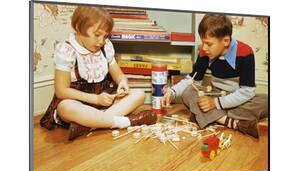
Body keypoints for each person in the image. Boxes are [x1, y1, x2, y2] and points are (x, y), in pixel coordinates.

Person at [40, 6, 157, 141]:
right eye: (97, 34)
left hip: (104, 104)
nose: (101, 41)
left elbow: (118, 74)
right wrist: (96, 99)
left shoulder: (106, 47)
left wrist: (122, 82)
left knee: (139, 95)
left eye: (105, 36)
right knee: (65, 107)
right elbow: (61, 91)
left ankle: (89, 124)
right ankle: (127, 121)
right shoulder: (67, 50)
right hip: (79, 104)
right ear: (79, 27)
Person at [161, 14, 268, 139]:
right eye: (203, 43)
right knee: (188, 93)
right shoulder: (205, 52)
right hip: (215, 94)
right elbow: (192, 81)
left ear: (226, 41)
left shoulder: (245, 52)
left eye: (209, 44)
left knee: (267, 100)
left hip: (236, 98)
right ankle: (232, 122)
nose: (204, 48)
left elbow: (247, 92)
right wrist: (173, 91)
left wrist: (216, 104)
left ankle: (209, 116)